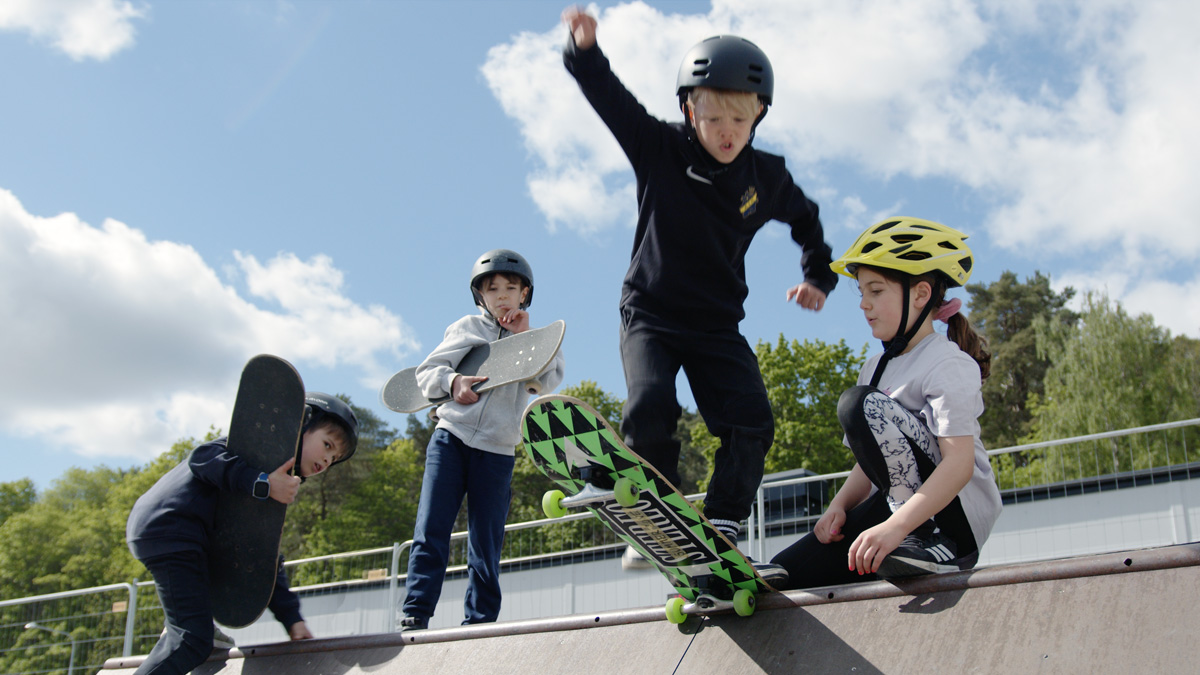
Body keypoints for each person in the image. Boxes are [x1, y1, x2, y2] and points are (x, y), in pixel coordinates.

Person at [559, 8, 837, 575]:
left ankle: (724, 520)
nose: (728, 132)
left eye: (742, 118)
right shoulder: (658, 147)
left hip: (716, 325)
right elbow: (609, 97)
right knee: (650, 403)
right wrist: (585, 51)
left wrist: (818, 277)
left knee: (752, 420)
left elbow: (807, 221)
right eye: (715, 118)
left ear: (759, 115)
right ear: (690, 110)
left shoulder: (767, 176)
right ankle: (650, 512)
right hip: (651, 314)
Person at [771, 217, 1003, 587]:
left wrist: (898, 526)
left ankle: (926, 538)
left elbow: (959, 465)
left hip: (952, 521)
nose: (864, 304)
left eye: (876, 291)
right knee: (784, 573)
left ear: (921, 294)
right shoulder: (875, 368)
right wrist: (840, 506)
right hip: (897, 512)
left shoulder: (948, 362)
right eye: (861, 293)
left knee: (859, 405)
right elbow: (872, 461)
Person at [126, 392, 359, 674]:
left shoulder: (277, 485)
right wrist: (261, 483)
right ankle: (186, 634)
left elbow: (263, 553)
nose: (327, 459)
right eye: (326, 445)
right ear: (300, 424)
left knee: (200, 638)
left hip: (181, 536)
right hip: (173, 525)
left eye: (334, 458)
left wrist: (292, 619)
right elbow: (202, 458)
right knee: (191, 640)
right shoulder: (254, 447)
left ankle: (188, 632)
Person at [399, 249, 565, 631]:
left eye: (511, 287)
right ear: (481, 297)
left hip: (498, 449)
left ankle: (480, 620)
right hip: (451, 438)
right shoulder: (467, 328)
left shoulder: (535, 338)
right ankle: (416, 611)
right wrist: (452, 382)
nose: (503, 295)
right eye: (493, 289)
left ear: (525, 294)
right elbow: (428, 371)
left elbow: (548, 380)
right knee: (432, 527)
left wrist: (525, 340)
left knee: (486, 540)